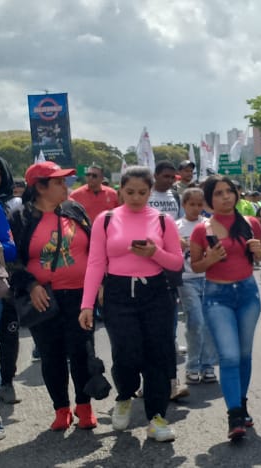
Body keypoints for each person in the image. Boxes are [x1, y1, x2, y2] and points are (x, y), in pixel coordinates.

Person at [79, 166, 183, 442]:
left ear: (150, 192)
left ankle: (157, 417)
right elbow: (95, 263)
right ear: (121, 191)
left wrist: (154, 252)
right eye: (130, 192)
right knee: (126, 353)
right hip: (118, 293)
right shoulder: (105, 220)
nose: (136, 198)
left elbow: (176, 263)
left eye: (142, 192)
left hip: (156, 293)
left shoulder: (163, 220)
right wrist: (87, 304)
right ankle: (124, 396)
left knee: (158, 355)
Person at [11, 162, 96, 433]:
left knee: (82, 351)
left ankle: (84, 406)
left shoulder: (75, 210)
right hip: (44, 299)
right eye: (58, 182)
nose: (65, 186)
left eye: (65, 181)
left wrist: (100, 285)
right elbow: (12, 260)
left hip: (80, 296)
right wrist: (31, 285)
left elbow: (95, 248)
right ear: (40, 187)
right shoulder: (21, 217)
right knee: (51, 355)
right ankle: (61, 408)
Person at [190, 176, 261, 439]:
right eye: (219, 193)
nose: (225, 197)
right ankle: (234, 415)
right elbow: (195, 266)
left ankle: (241, 406)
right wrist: (209, 259)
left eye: (229, 191)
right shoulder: (202, 230)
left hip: (247, 294)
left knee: (244, 354)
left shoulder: (251, 223)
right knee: (229, 356)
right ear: (209, 200)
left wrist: (260, 252)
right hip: (217, 297)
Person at [149, 160, 188, 401]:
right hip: (146, 263)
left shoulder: (176, 197)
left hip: (170, 263)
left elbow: (180, 226)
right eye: (165, 176)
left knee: (170, 314)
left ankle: (171, 381)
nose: (170, 181)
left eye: (173, 177)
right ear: (155, 175)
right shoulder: (146, 195)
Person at [175, 188, 217, 385]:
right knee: (196, 322)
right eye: (191, 204)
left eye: (200, 204)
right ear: (184, 205)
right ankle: (192, 366)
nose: (195, 208)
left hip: (209, 278)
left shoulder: (208, 225)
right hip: (187, 279)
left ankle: (207, 365)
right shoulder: (176, 227)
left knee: (209, 323)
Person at [0, 157, 21, 412]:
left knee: (8, 334)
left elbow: (13, 248)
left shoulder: (13, 205)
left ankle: (7, 382)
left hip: (6, 282)